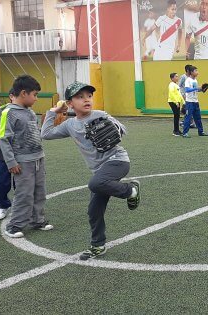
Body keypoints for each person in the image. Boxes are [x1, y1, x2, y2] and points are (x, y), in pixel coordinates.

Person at [42, 81, 140, 260]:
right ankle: (98, 245)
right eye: (80, 97)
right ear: (70, 104)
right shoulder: (70, 125)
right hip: (100, 171)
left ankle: (131, 190)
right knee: (94, 210)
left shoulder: (100, 115)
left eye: (89, 96)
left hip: (117, 161)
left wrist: (109, 128)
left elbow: (123, 130)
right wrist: (52, 112)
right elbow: (46, 134)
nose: (86, 100)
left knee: (95, 184)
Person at [0, 75, 53, 238]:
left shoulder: (29, 112)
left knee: (39, 191)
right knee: (24, 194)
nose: (36, 99)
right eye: (34, 95)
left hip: (38, 159)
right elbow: (3, 138)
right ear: (23, 93)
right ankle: (14, 225)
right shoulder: (8, 113)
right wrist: (11, 161)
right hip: (22, 162)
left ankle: (37, 220)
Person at [0, 92, 15, 220]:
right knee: (1, 181)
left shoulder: (28, 110)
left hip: (22, 152)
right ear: (12, 96)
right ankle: (3, 205)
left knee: (21, 182)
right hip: (3, 151)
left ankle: (21, 206)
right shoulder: (3, 110)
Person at [182, 66, 208, 137]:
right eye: (196, 71)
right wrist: (197, 88)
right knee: (188, 117)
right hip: (189, 102)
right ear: (191, 72)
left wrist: (201, 90)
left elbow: (195, 90)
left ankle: (201, 132)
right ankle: (185, 133)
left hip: (196, 102)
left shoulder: (195, 80)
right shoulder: (188, 80)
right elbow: (187, 90)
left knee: (198, 118)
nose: (197, 72)